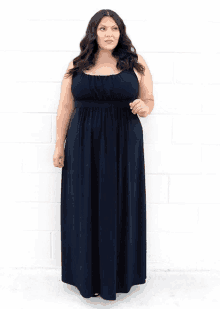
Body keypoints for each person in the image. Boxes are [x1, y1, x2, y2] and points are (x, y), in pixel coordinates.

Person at [53, 9, 154, 301]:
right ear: (93, 33)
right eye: (102, 28)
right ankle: (86, 275)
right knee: (83, 203)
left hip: (125, 143)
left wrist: (144, 108)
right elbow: (65, 108)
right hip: (83, 143)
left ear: (120, 32)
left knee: (121, 202)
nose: (109, 34)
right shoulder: (77, 64)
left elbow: (148, 99)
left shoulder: (135, 63)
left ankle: (121, 275)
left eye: (114, 28)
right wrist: (59, 146)